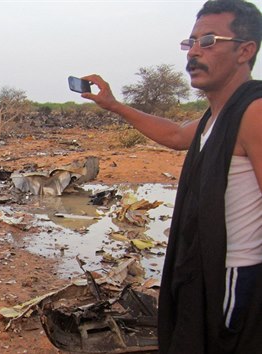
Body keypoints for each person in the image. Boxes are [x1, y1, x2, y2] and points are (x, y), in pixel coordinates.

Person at [81, 0, 262, 352]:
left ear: (245, 51)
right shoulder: (216, 116)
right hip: (203, 269)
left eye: (207, 41)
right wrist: (113, 104)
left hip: (235, 276)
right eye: (189, 42)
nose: (193, 53)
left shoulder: (254, 112)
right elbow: (177, 135)